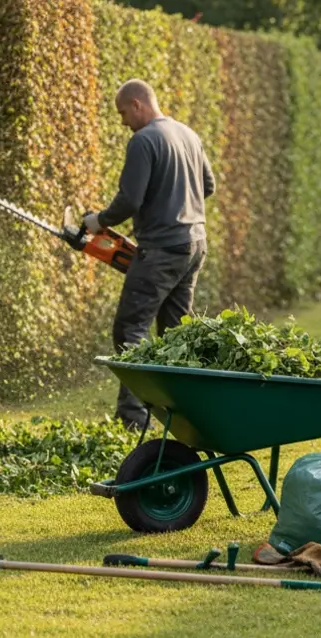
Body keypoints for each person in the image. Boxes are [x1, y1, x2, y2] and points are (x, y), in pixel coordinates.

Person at [84, 79, 215, 430]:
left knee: (131, 330)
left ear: (138, 104)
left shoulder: (143, 141)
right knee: (175, 335)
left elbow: (130, 200)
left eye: (123, 113)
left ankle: (133, 419)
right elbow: (208, 186)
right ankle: (183, 413)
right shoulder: (188, 134)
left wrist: (99, 221)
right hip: (194, 244)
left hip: (161, 249)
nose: (123, 121)